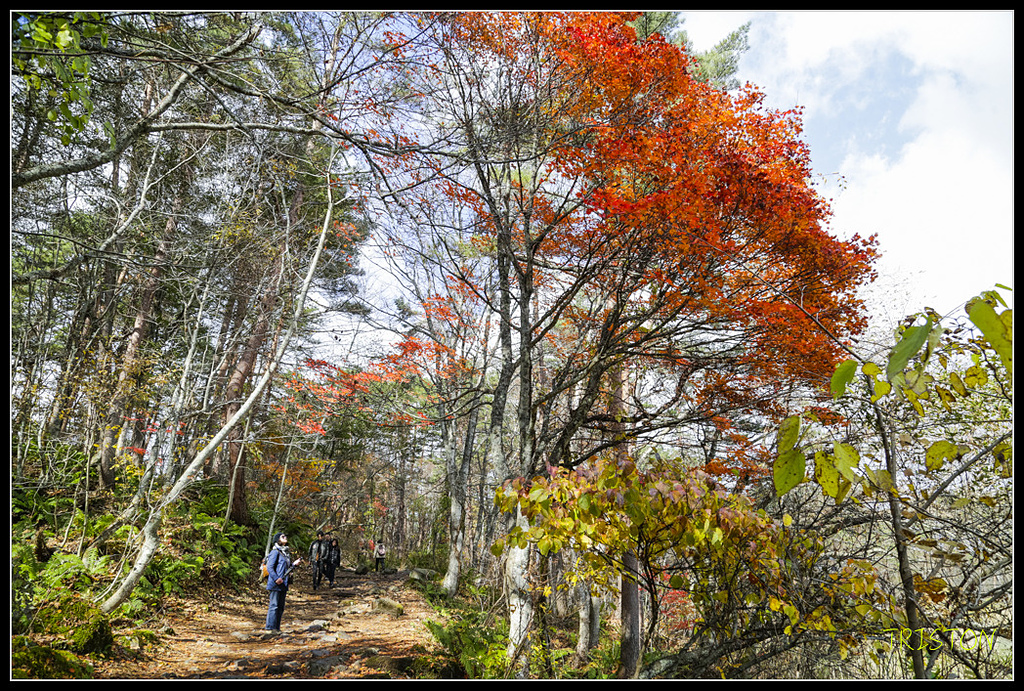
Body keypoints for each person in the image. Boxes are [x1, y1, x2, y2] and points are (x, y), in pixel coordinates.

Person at [264, 532, 301, 632]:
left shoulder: (285, 553)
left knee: (280, 607)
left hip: (283, 583)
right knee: (274, 606)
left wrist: (294, 564)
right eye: (283, 537)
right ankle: (270, 628)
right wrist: (276, 578)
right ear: (278, 540)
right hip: (276, 583)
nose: (285, 537)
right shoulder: (275, 552)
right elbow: (270, 567)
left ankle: (276, 628)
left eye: (286, 536)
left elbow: (286, 568)